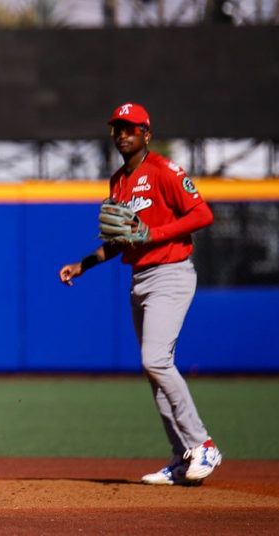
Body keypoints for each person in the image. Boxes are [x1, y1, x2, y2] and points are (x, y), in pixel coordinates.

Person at [58, 103, 221, 485]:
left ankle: (203, 444)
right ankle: (182, 457)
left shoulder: (165, 171)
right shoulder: (118, 181)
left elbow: (202, 215)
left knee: (156, 360)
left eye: (131, 128)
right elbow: (121, 238)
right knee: (155, 372)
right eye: (118, 128)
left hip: (171, 272)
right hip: (141, 277)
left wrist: (155, 234)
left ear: (146, 134)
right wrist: (84, 263)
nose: (122, 134)